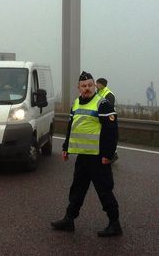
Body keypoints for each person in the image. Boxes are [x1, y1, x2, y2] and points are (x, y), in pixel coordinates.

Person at [51, 71, 121, 237]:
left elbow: (111, 131)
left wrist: (108, 154)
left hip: (98, 157)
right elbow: (71, 127)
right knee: (77, 189)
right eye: (84, 86)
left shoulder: (102, 104)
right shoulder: (76, 104)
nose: (87, 88)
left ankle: (114, 223)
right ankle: (69, 220)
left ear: (94, 86)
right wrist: (66, 147)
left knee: (104, 190)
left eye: (90, 85)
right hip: (83, 156)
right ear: (79, 88)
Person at [96, 78, 118, 163]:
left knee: (110, 136)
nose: (96, 85)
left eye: (97, 83)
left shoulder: (109, 94)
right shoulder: (99, 92)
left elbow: (109, 107)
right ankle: (105, 154)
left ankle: (113, 154)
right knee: (103, 137)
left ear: (101, 84)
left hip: (108, 118)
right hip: (101, 117)